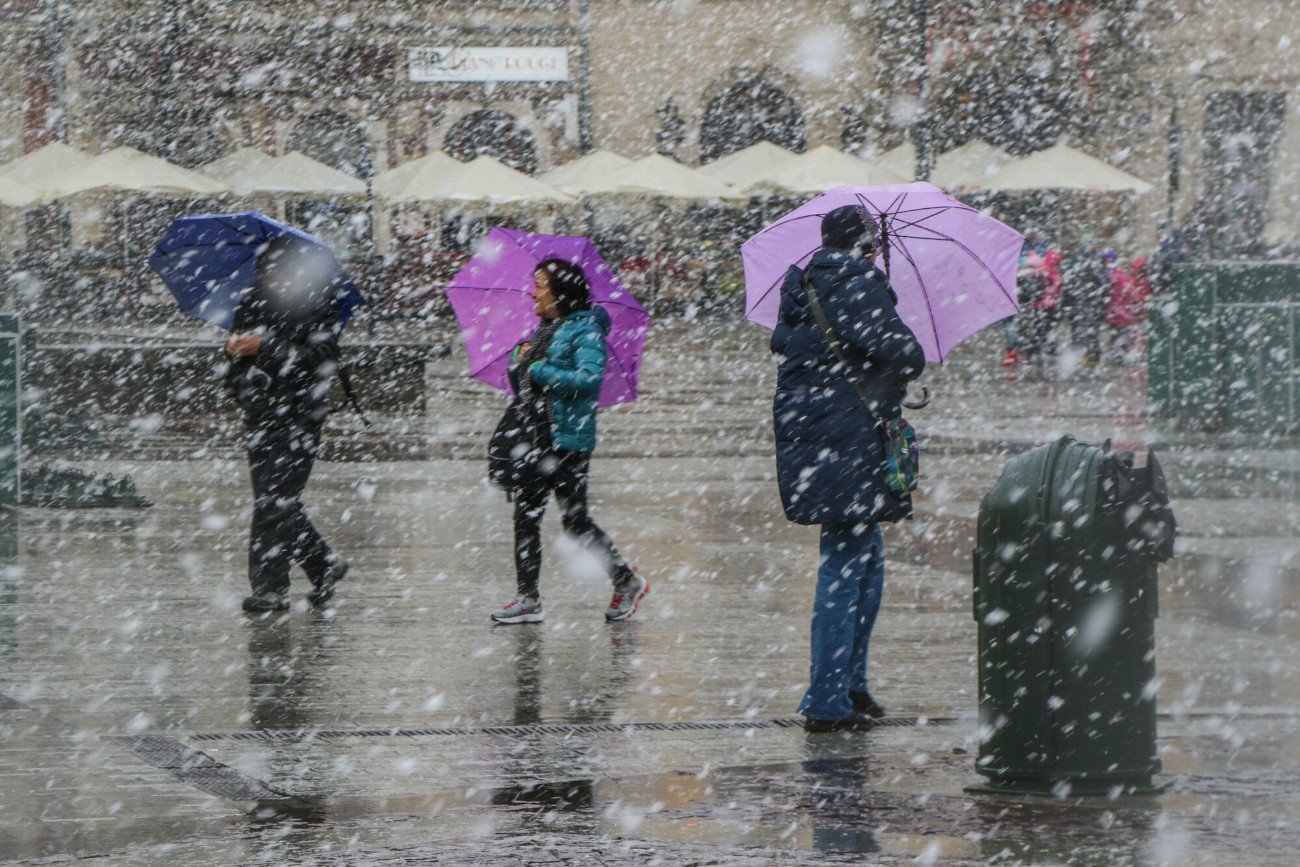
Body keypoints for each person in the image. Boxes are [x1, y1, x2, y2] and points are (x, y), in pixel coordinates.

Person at [770, 206, 926, 733]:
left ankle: (850, 683)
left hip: (814, 433)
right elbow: (902, 352)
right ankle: (827, 699)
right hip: (848, 433)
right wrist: (900, 351)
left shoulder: (806, 283)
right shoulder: (858, 282)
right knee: (845, 558)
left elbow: (808, 352)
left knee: (865, 555)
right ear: (867, 243)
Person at [490, 258, 647, 625]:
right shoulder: (546, 330)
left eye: (540, 285)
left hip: (567, 440)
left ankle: (625, 579)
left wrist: (538, 368)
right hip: (534, 435)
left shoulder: (585, 330)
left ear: (560, 293)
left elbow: (588, 380)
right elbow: (523, 382)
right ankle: (528, 597)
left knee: (575, 523)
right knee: (525, 516)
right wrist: (520, 359)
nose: (533, 292)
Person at [226, 237, 349, 614]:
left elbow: (315, 362)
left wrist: (264, 348)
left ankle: (271, 587)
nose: (275, 280)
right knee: (275, 502)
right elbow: (234, 365)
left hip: (300, 418)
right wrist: (243, 385)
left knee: (274, 503)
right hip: (261, 418)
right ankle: (322, 563)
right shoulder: (251, 304)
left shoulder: (319, 310)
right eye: (268, 272)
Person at [1060, 245, 1111, 368]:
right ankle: (1091, 359)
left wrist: (1067, 309)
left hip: (1080, 309)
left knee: (1079, 334)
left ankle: (1082, 358)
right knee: (1091, 334)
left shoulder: (1072, 272)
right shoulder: (1097, 270)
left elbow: (1066, 292)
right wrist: (1101, 307)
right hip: (1090, 309)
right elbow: (1105, 290)